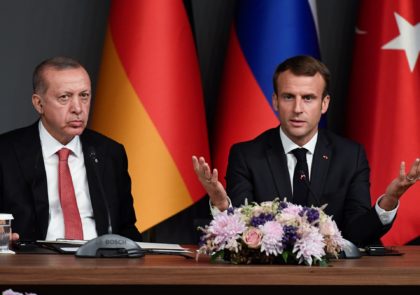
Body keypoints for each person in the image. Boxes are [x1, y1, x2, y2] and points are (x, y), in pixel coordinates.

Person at [193, 55, 420, 246]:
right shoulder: (247, 156)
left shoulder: (350, 156)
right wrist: (222, 205)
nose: (298, 109)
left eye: (308, 98)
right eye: (289, 97)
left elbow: (357, 233)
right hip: (267, 280)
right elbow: (244, 232)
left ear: (324, 104)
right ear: (275, 101)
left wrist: (389, 200)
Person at [0, 56, 142, 242]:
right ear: (39, 103)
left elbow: (126, 227)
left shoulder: (109, 152)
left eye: (84, 96)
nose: (78, 108)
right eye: (64, 97)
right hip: (32, 263)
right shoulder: (6, 152)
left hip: (100, 263)